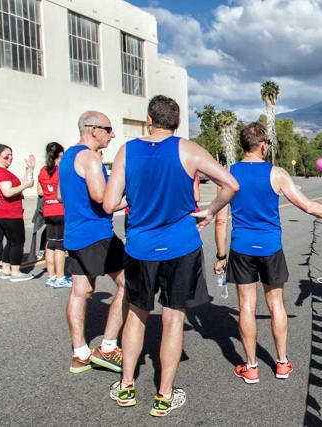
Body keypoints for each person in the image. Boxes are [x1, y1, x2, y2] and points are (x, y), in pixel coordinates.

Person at [103, 96, 240, 417]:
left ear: (148, 120)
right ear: (177, 124)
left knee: (136, 315)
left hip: (139, 247)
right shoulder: (188, 149)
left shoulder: (127, 151)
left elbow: (110, 204)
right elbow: (230, 184)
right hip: (181, 246)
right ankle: (164, 395)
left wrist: (136, 193)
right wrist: (209, 211)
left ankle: (126, 386)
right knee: (173, 318)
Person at [212, 123, 322, 385]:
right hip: (269, 247)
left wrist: (221, 256)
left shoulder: (228, 174)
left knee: (246, 306)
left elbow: (221, 220)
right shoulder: (277, 173)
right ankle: (282, 363)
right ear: (262, 144)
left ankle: (251, 367)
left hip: (241, 247)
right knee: (276, 304)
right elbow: (306, 206)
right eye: (267, 143)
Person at [58, 111, 127, 374]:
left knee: (81, 291)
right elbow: (101, 198)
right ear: (94, 129)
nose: (112, 134)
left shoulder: (67, 157)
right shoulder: (90, 157)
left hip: (75, 234)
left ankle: (80, 354)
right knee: (129, 283)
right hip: (97, 234)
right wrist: (129, 197)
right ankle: (108, 348)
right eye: (108, 129)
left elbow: (63, 196)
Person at [0, 144, 36, 281]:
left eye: (11, 155)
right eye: (6, 155)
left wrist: (30, 169)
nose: (10, 158)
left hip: (3, 212)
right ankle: (16, 272)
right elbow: (8, 192)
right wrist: (26, 186)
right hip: (9, 213)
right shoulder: (1, 172)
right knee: (18, 242)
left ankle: (6, 269)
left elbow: (17, 184)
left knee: (11, 241)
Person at [38, 142, 71, 288]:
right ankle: (60, 277)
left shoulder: (42, 170)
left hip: (48, 210)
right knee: (60, 245)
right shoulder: (62, 170)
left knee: (50, 243)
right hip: (60, 210)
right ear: (60, 155)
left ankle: (50, 276)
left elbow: (40, 192)